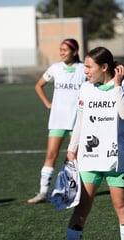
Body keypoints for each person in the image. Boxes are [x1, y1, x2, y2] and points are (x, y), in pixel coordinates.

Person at [63, 46, 124, 240]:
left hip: (117, 159)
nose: (84, 71)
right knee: (82, 207)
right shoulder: (85, 89)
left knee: (121, 205)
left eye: (88, 66)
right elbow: (80, 120)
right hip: (90, 157)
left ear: (104, 67)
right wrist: (72, 148)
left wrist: (116, 85)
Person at [27, 38, 86, 204]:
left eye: (65, 50)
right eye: (60, 49)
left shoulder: (83, 70)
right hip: (58, 120)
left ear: (74, 52)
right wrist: (47, 104)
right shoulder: (55, 69)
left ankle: (78, 191)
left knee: (77, 157)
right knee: (51, 155)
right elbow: (39, 85)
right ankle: (43, 192)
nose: (62, 52)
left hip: (77, 121)